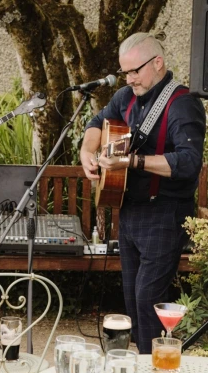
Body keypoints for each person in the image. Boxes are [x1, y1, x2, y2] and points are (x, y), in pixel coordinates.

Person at [80, 33, 206, 354]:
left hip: (165, 213)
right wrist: (87, 152)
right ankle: (143, 369)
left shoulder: (183, 104)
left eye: (135, 71)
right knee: (132, 302)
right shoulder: (127, 97)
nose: (129, 78)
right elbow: (98, 120)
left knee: (147, 298)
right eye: (125, 72)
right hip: (130, 211)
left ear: (158, 63)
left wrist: (132, 160)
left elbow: (190, 163)